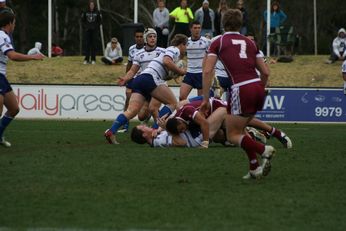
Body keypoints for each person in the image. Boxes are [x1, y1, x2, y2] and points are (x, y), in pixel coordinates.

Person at [201, 9, 275, 179]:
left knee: (232, 134)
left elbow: (207, 71)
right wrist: (259, 89)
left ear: (222, 24)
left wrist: (205, 99)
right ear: (240, 24)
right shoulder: (250, 42)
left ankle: (263, 150)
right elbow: (265, 72)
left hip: (240, 88)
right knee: (241, 130)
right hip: (257, 87)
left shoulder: (218, 41)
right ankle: (254, 167)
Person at [104, 34, 188, 144]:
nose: (186, 48)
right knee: (172, 103)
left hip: (140, 79)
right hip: (151, 78)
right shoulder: (174, 49)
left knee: (131, 111)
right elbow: (167, 61)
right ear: (181, 44)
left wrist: (125, 79)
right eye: (186, 45)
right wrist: (181, 72)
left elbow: (164, 70)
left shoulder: (166, 52)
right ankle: (154, 130)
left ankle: (111, 131)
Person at [0, 10, 45, 148]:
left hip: (1, 76)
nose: (14, 25)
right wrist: (32, 57)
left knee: (14, 108)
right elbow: (12, 55)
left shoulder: (4, 35)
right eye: (14, 23)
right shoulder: (2, 35)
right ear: (9, 23)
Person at [179, 21, 210, 101]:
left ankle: (197, 113)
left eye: (199, 28)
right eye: (195, 28)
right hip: (190, 73)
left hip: (201, 74)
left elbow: (211, 56)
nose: (197, 30)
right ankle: (185, 113)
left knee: (200, 101)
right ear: (190, 29)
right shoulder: (186, 42)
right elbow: (181, 55)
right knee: (181, 97)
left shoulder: (206, 41)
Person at [81, 0, 101, 65]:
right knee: (87, 45)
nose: (91, 6)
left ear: (94, 6)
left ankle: (93, 59)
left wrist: (96, 27)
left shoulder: (97, 12)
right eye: (90, 5)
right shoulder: (85, 12)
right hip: (87, 31)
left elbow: (100, 21)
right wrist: (85, 27)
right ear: (89, 6)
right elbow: (82, 21)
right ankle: (86, 59)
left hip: (94, 31)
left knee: (94, 45)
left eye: (93, 5)